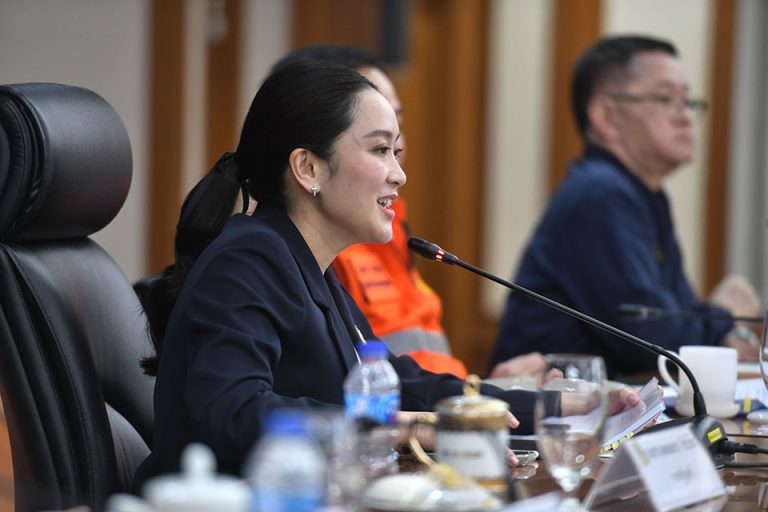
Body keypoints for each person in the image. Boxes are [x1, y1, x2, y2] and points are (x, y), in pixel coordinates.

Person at [132, 60, 638, 488]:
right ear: (308, 168)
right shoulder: (249, 259)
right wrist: (404, 429)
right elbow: (234, 413)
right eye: (379, 150)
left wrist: (558, 405)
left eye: (396, 151)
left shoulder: (307, 264)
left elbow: (402, 384)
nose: (400, 174)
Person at [490, 35, 762, 378]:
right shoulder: (599, 195)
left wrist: (724, 329)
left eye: (688, 101)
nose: (686, 116)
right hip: (545, 406)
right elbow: (653, 343)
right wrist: (726, 313)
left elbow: (677, 317)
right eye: (666, 98)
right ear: (606, 116)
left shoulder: (643, 195)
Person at [273, 45, 547, 379]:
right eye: (378, 143)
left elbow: (402, 379)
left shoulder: (396, 234)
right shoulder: (309, 250)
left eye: (397, 126)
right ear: (309, 165)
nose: (398, 156)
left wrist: (484, 394)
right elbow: (346, 388)